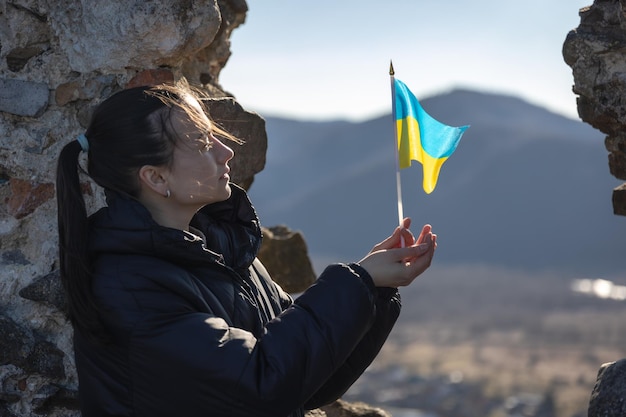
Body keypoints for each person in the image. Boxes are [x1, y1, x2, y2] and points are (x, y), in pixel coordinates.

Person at [55, 80, 437, 417]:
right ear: (156, 177)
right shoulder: (130, 288)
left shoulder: (223, 252)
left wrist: (374, 289)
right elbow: (262, 383)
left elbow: (308, 382)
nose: (226, 152)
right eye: (204, 142)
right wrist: (359, 280)